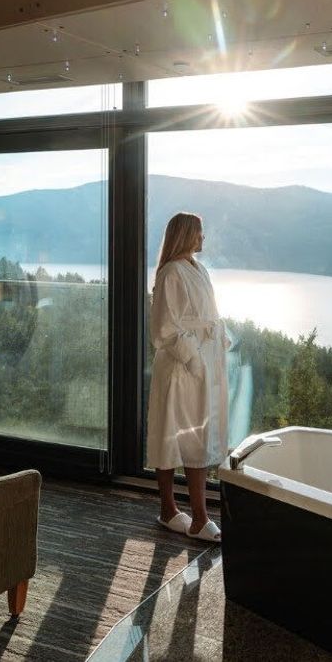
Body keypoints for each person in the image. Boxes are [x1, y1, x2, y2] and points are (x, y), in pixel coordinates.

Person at [146, 212, 229, 542]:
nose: (203, 238)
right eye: (199, 233)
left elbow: (209, 315)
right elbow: (165, 326)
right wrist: (193, 358)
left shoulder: (199, 269)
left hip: (203, 365)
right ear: (185, 235)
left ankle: (186, 514)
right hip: (181, 368)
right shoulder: (170, 273)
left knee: (199, 435)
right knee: (172, 436)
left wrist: (222, 339)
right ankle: (184, 514)